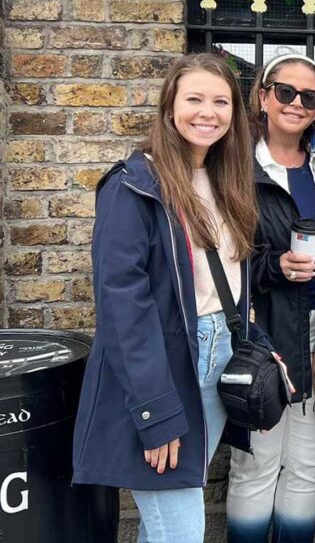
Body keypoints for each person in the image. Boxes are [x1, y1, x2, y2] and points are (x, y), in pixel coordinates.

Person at [72, 53, 262, 542]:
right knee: (178, 530)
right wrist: (155, 412)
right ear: (169, 108)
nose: (208, 111)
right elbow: (122, 307)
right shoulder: (133, 186)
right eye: (194, 98)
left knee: (166, 525)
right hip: (164, 368)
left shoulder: (224, 181)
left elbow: (228, 281)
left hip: (217, 355)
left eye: (221, 101)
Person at [226, 54, 315, 543]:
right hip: (263, 325)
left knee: (311, 463)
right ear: (264, 95)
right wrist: (273, 265)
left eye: (309, 97)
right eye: (285, 91)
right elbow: (215, 257)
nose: (296, 103)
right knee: (257, 462)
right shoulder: (234, 163)